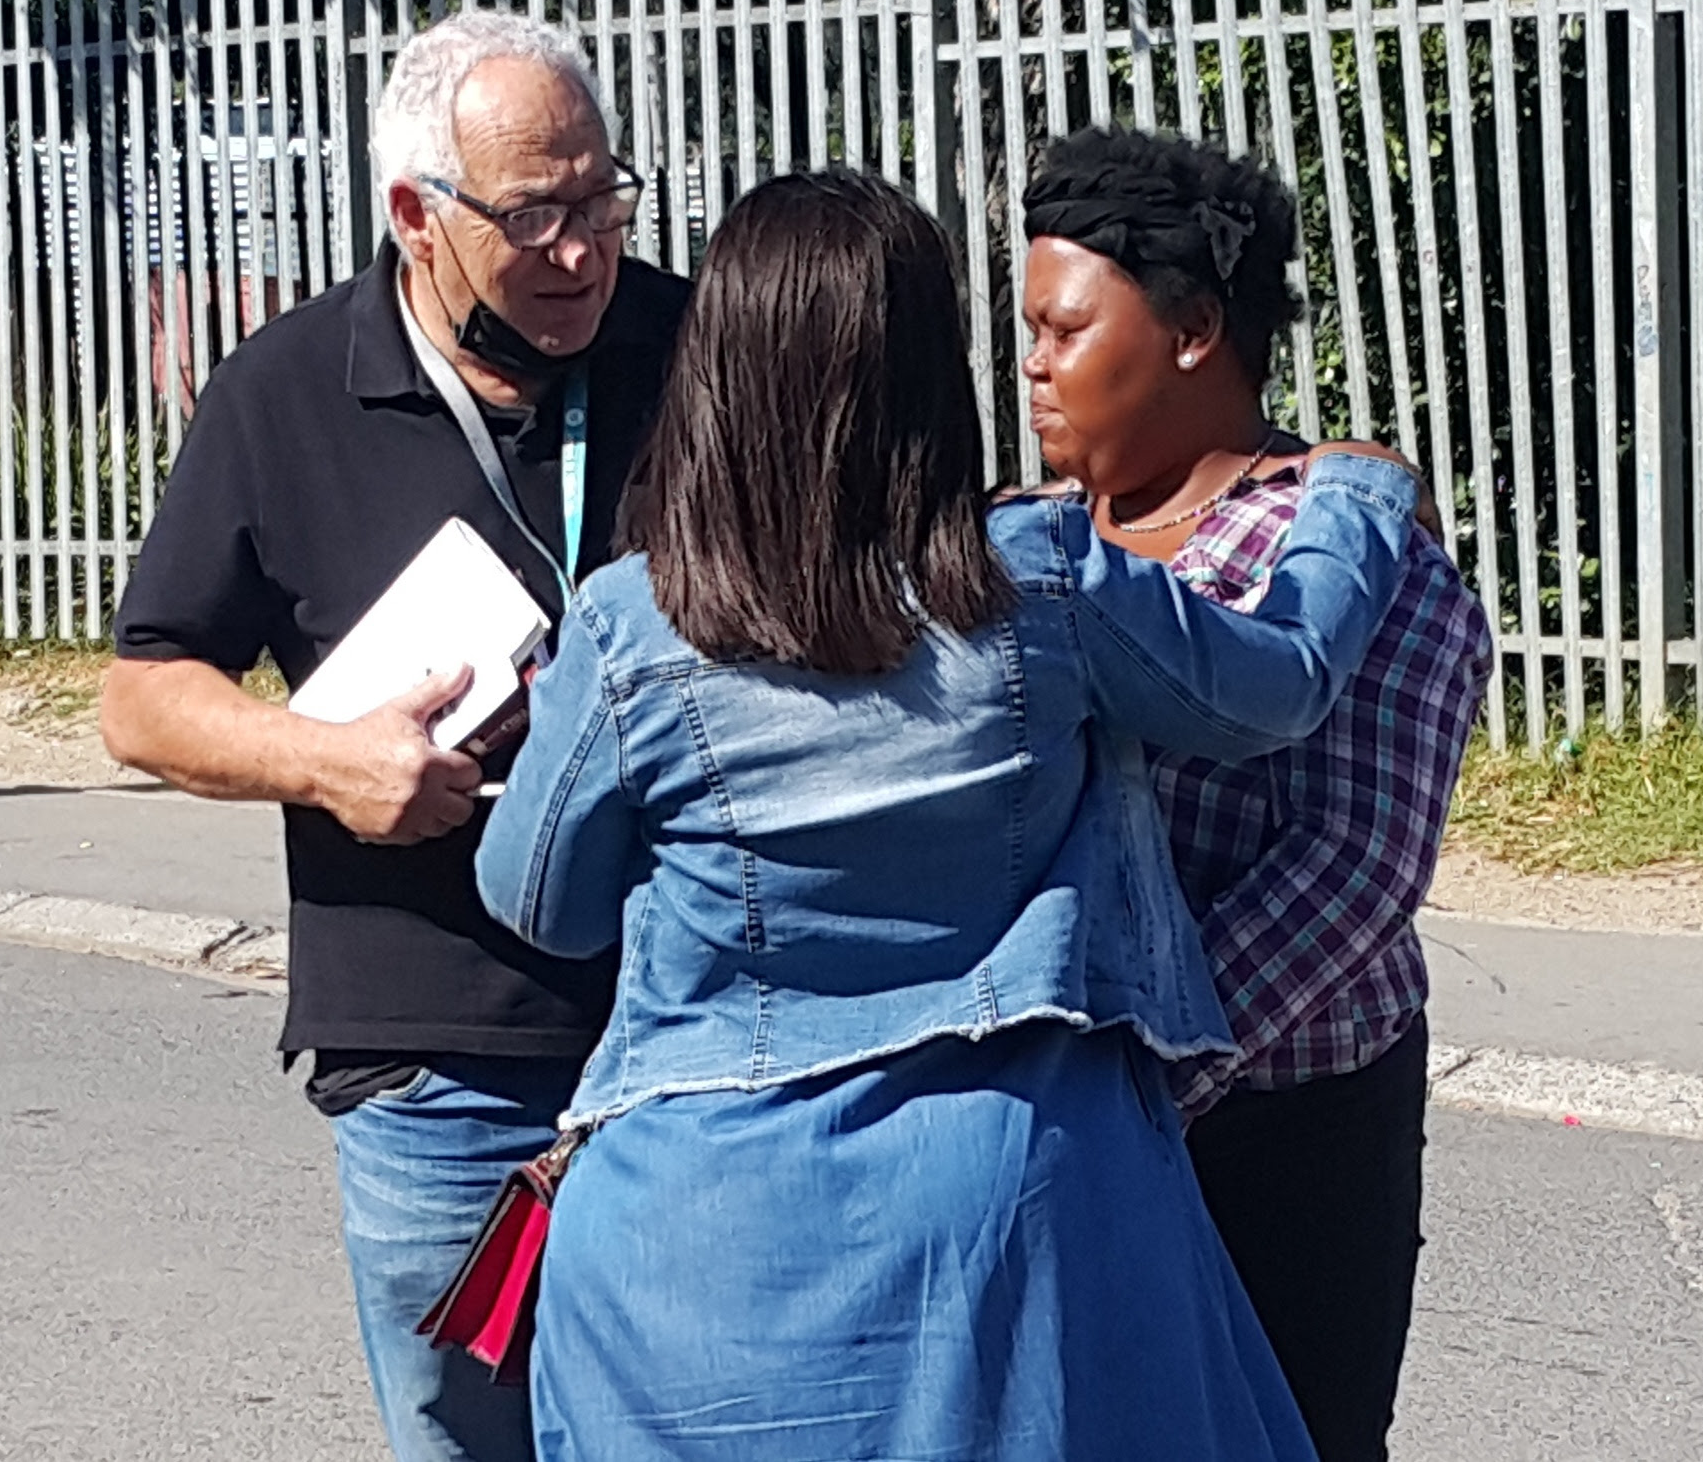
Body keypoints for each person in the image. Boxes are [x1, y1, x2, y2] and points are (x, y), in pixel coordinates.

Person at [473, 167, 1425, 1462]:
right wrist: (1353, 501)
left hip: (690, 1235)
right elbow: (1285, 684)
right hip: (994, 1210)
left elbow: (537, 904)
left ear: (713, 374)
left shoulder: (630, 629)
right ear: (932, 374)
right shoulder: (1038, 583)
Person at [98, 9, 689, 1462]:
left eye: (603, 200)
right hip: (443, 1065)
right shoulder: (284, 392)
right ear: (417, 216)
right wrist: (327, 762)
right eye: (533, 214)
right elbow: (142, 694)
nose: (581, 253)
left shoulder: (697, 347)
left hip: (693, 1027)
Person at [1020, 126, 1493, 1462]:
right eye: (1028, 331)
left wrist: (1140, 1072)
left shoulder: (1350, 553)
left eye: (1064, 330)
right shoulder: (1034, 539)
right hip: (1066, 1110)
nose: (1034, 366)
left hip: (1283, 1137)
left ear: (1192, 332)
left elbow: (1356, 865)